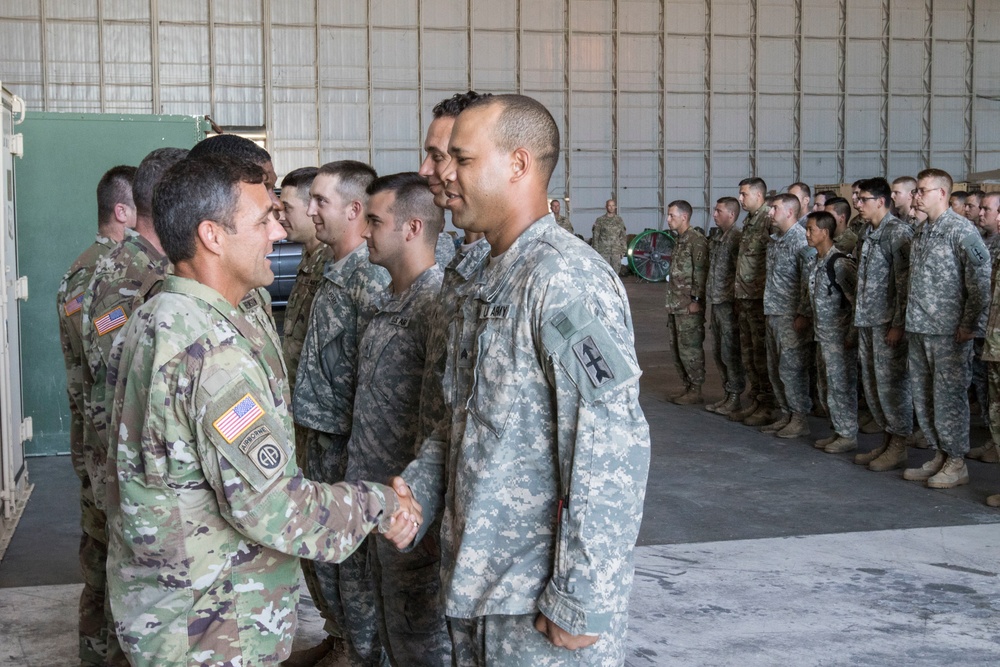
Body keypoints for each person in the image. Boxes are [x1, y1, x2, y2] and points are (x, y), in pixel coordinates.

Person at [104, 153, 419, 667]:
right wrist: (382, 505)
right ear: (213, 235)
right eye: (262, 221)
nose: (278, 232)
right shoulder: (213, 354)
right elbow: (274, 509)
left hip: (166, 610)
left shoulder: (155, 316)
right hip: (212, 628)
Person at [395, 94, 650, 665]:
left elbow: (610, 447)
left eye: (461, 159)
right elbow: (470, 417)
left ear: (518, 164)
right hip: (479, 581)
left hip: (534, 603)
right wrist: (417, 489)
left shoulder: (565, 280)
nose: (444, 175)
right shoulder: (492, 275)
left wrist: (581, 595)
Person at [292, 160, 391, 666]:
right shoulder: (334, 271)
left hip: (349, 448)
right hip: (320, 438)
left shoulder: (370, 281)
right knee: (321, 557)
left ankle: (361, 653)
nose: (310, 211)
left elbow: (375, 382)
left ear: (355, 209)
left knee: (353, 567)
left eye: (320, 202)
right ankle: (341, 640)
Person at [351, 172, 451, 666]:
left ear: (412, 228)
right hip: (376, 507)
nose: (364, 231)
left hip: (411, 514)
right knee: (390, 636)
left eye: (374, 220)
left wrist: (420, 509)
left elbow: (442, 423)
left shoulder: (436, 307)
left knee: (420, 644)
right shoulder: (387, 301)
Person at [56, 164, 136, 667]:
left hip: (91, 450)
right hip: (107, 453)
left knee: (98, 567)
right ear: (123, 212)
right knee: (112, 573)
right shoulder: (114, 278)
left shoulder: (79, 272)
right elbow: (111, 377)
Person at [903, 169, 990, 488]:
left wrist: (970, 324)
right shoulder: (922, 230)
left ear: (941, 193)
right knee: (925, 397)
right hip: (920, 327)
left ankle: (956, 460)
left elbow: (980, 282)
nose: (916, 196)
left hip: (949, 331)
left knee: (949, 397)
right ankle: (940, 453)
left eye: (922, 191)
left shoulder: (962, 230)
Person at [850, 178, 915, 471]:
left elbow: (904, 285)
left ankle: (899, 443)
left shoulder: (898, 233)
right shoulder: (867, 232)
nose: (858, 204)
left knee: (892, 386)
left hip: (887, 323)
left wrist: (898, 324)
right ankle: (888, 440)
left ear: (881, 201)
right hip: (867, 320)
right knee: (874, 385)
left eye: (863, 199)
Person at [761, 193, 815, 438]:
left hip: (790, 315)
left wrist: (803, 313)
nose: (770, 213)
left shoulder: (800, 241)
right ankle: (786, 414)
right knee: (776, 368)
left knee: (792, 368)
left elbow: (808, 281)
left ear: (790, 212)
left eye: (774, 208)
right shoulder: (775, 241)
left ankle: (800, 416)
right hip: (773, 312)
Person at [803, 211, 858, 453]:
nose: (807, 234)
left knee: (840, 386)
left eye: (811, 229)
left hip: (838, 338)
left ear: (824, 232)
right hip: (822, 335)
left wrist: (851, 335)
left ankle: (847, 433)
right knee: (826, 386)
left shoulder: (840, 263)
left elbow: (856, 302)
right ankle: (837, 429)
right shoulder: (817, 261)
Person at [730, 177, 776, 426]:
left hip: (759, 300)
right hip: (745, 298)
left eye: (744, 194)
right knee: (749, 354)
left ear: (758, 195)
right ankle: (757, 400)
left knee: (761, 355)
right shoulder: (749, 221)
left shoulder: (769, 219)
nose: (740, 199)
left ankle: (769, 405)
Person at [663, 200, 709, 404]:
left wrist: (696, 300)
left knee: (690, 348)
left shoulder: (696, 240)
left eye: (672, 215)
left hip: (688, 305)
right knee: (677, 348)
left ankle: (696, 388)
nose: (668, 219)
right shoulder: (679, 240)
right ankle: (688, 386)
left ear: (684, 217)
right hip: (675, 304)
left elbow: (700, 271)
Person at [705, 197, 745, 415]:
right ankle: (727, 393)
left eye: (719, 211)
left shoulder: (737, 238)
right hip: (717, 302)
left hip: (729, 304)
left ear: (731, 214)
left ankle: (736, 395)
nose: (714, 214)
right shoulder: (719, 237)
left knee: (730, 352)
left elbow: (740, 272)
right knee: (719, 351)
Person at [592, 198, 627, 270]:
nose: (611, 207)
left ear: (615, 207)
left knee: (616, 272)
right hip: (603, 251)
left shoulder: (619, 220)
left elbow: (623, 236)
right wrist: (596, 251)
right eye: (609, 206)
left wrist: (623, 250)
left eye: (613, 205)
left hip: (616, 252)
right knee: (604, 272)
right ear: (606, 207)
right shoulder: (600, 220)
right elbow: (595, 237)